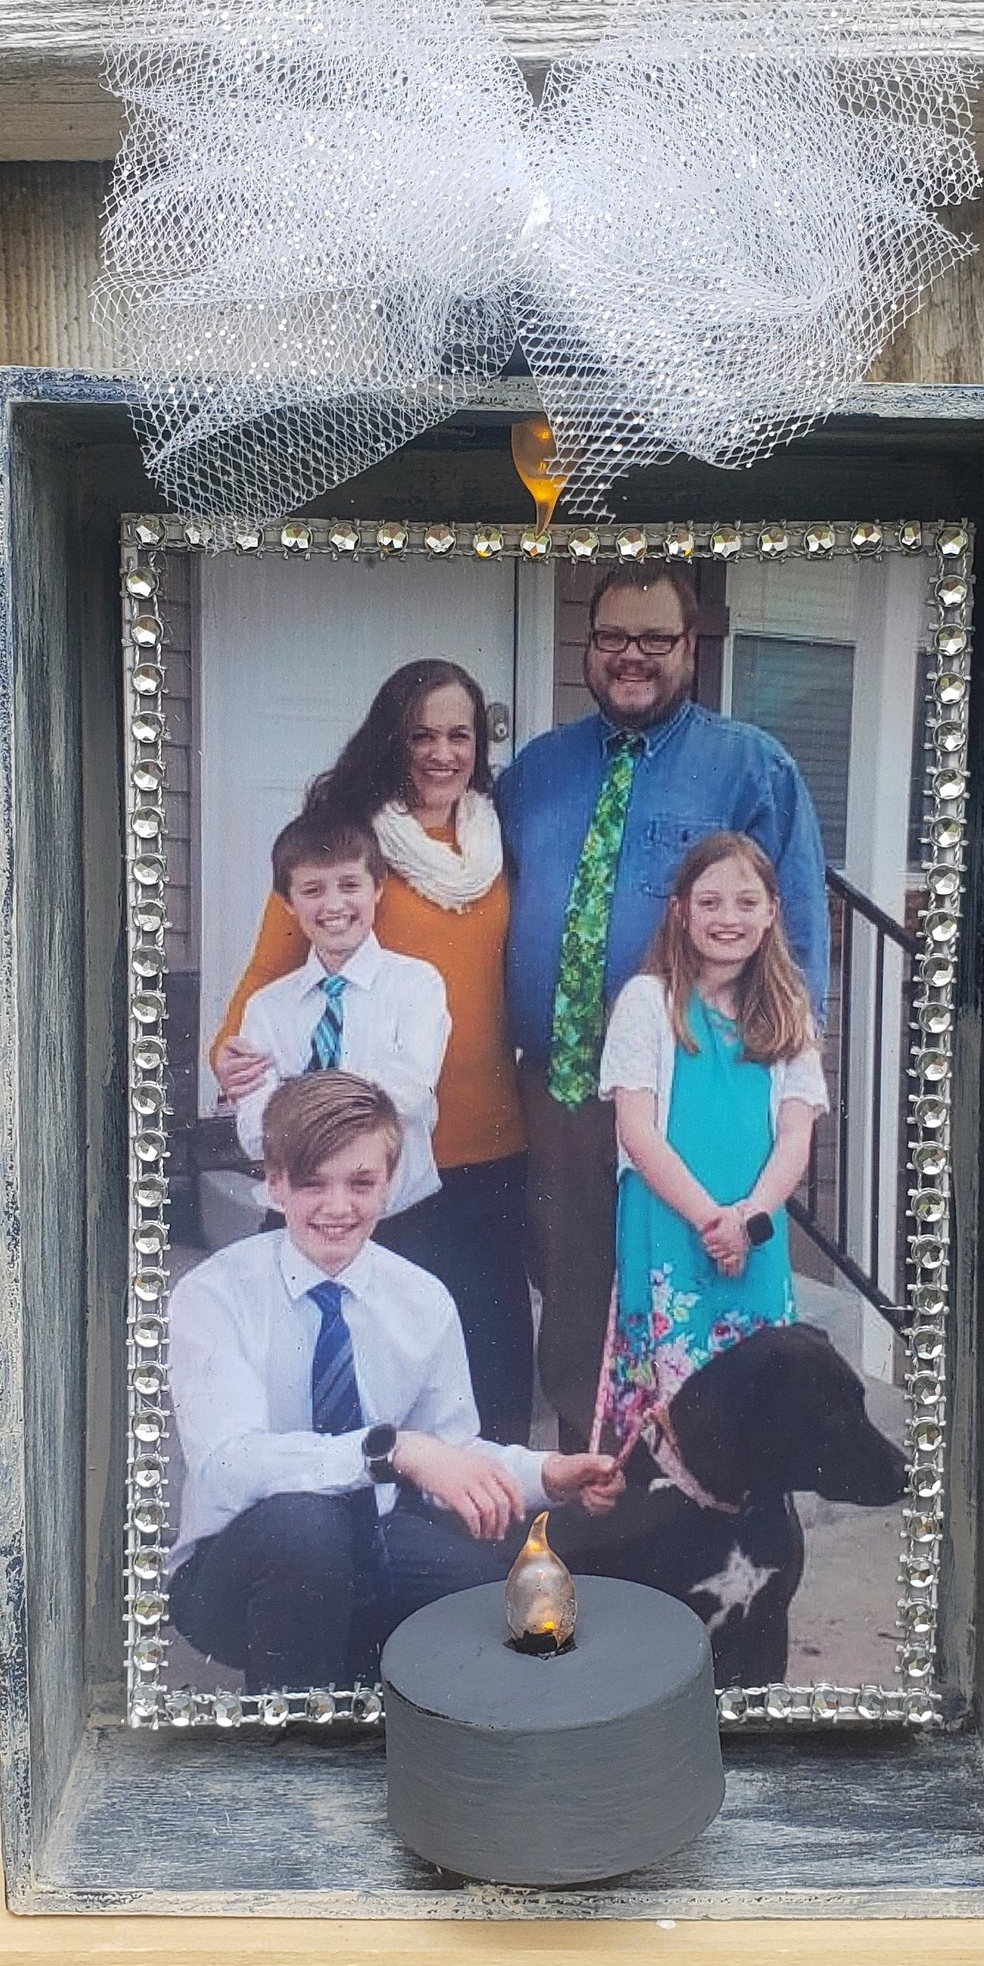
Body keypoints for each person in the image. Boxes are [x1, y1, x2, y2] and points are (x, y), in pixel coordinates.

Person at [495, 560, 828, 1447]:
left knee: (702, 1268)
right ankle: (589, 1471)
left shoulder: (752, 766)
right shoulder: (537, 770)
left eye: (654, 638)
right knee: (576, 1281)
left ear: (690, 645)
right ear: (587, 647)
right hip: (563, 1085)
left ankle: (709, 1466)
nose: (630, 656)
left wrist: (786, 1069)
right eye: (611, 637)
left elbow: (795, 926)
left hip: (699, 1083)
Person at [166, 1072, 620, 1693]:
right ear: (273, 1183)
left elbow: (451, 1450)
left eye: (361, 1183)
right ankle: (289, 1759)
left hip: (372, 1542)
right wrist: (391, 1448)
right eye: (311, 1183)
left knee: (498, 1607)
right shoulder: (214, 1295)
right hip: (237, 1569)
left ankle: (405, 1742)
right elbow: (229, 1465)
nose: (337, 1207)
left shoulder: (420, 1298)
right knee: (308, 1529)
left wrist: (544, 1474)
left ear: (390, 1182)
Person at [212, 660, 533, 1444]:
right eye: (421, 734)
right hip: (376, 1154)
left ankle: (493, 1533)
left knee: (485, 1360)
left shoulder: (493, 834)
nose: (441, 752)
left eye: (459, 734)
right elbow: (268, 971)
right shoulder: (353, 844)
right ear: (391, 738)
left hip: (488, 1138)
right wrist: (230, 1056)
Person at [594, 832, 828, 1453]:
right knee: (675, 1407)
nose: (729, 918)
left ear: (772, 911)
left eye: (747, 903)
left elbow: (796, 1133)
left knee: (758, 1400)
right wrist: (709, 1220)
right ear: (681, 910)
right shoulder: (648, 1003)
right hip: (672, 1229)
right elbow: (637, 1132)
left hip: (756, 1233)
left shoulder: (788, 1009)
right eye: (711, 902)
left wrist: (749, 1218)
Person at [232, 815, 449, 1228]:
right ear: (288, 903)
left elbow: (410, 1092)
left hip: (397, 1216)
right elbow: (255, 1131)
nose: (334, 905)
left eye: (350, 885)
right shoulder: (267, 1008)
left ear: (378, 888)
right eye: (313, 890)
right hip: (294, 1215)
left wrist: (294, 1098)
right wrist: (360, 1096)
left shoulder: (417, 985)